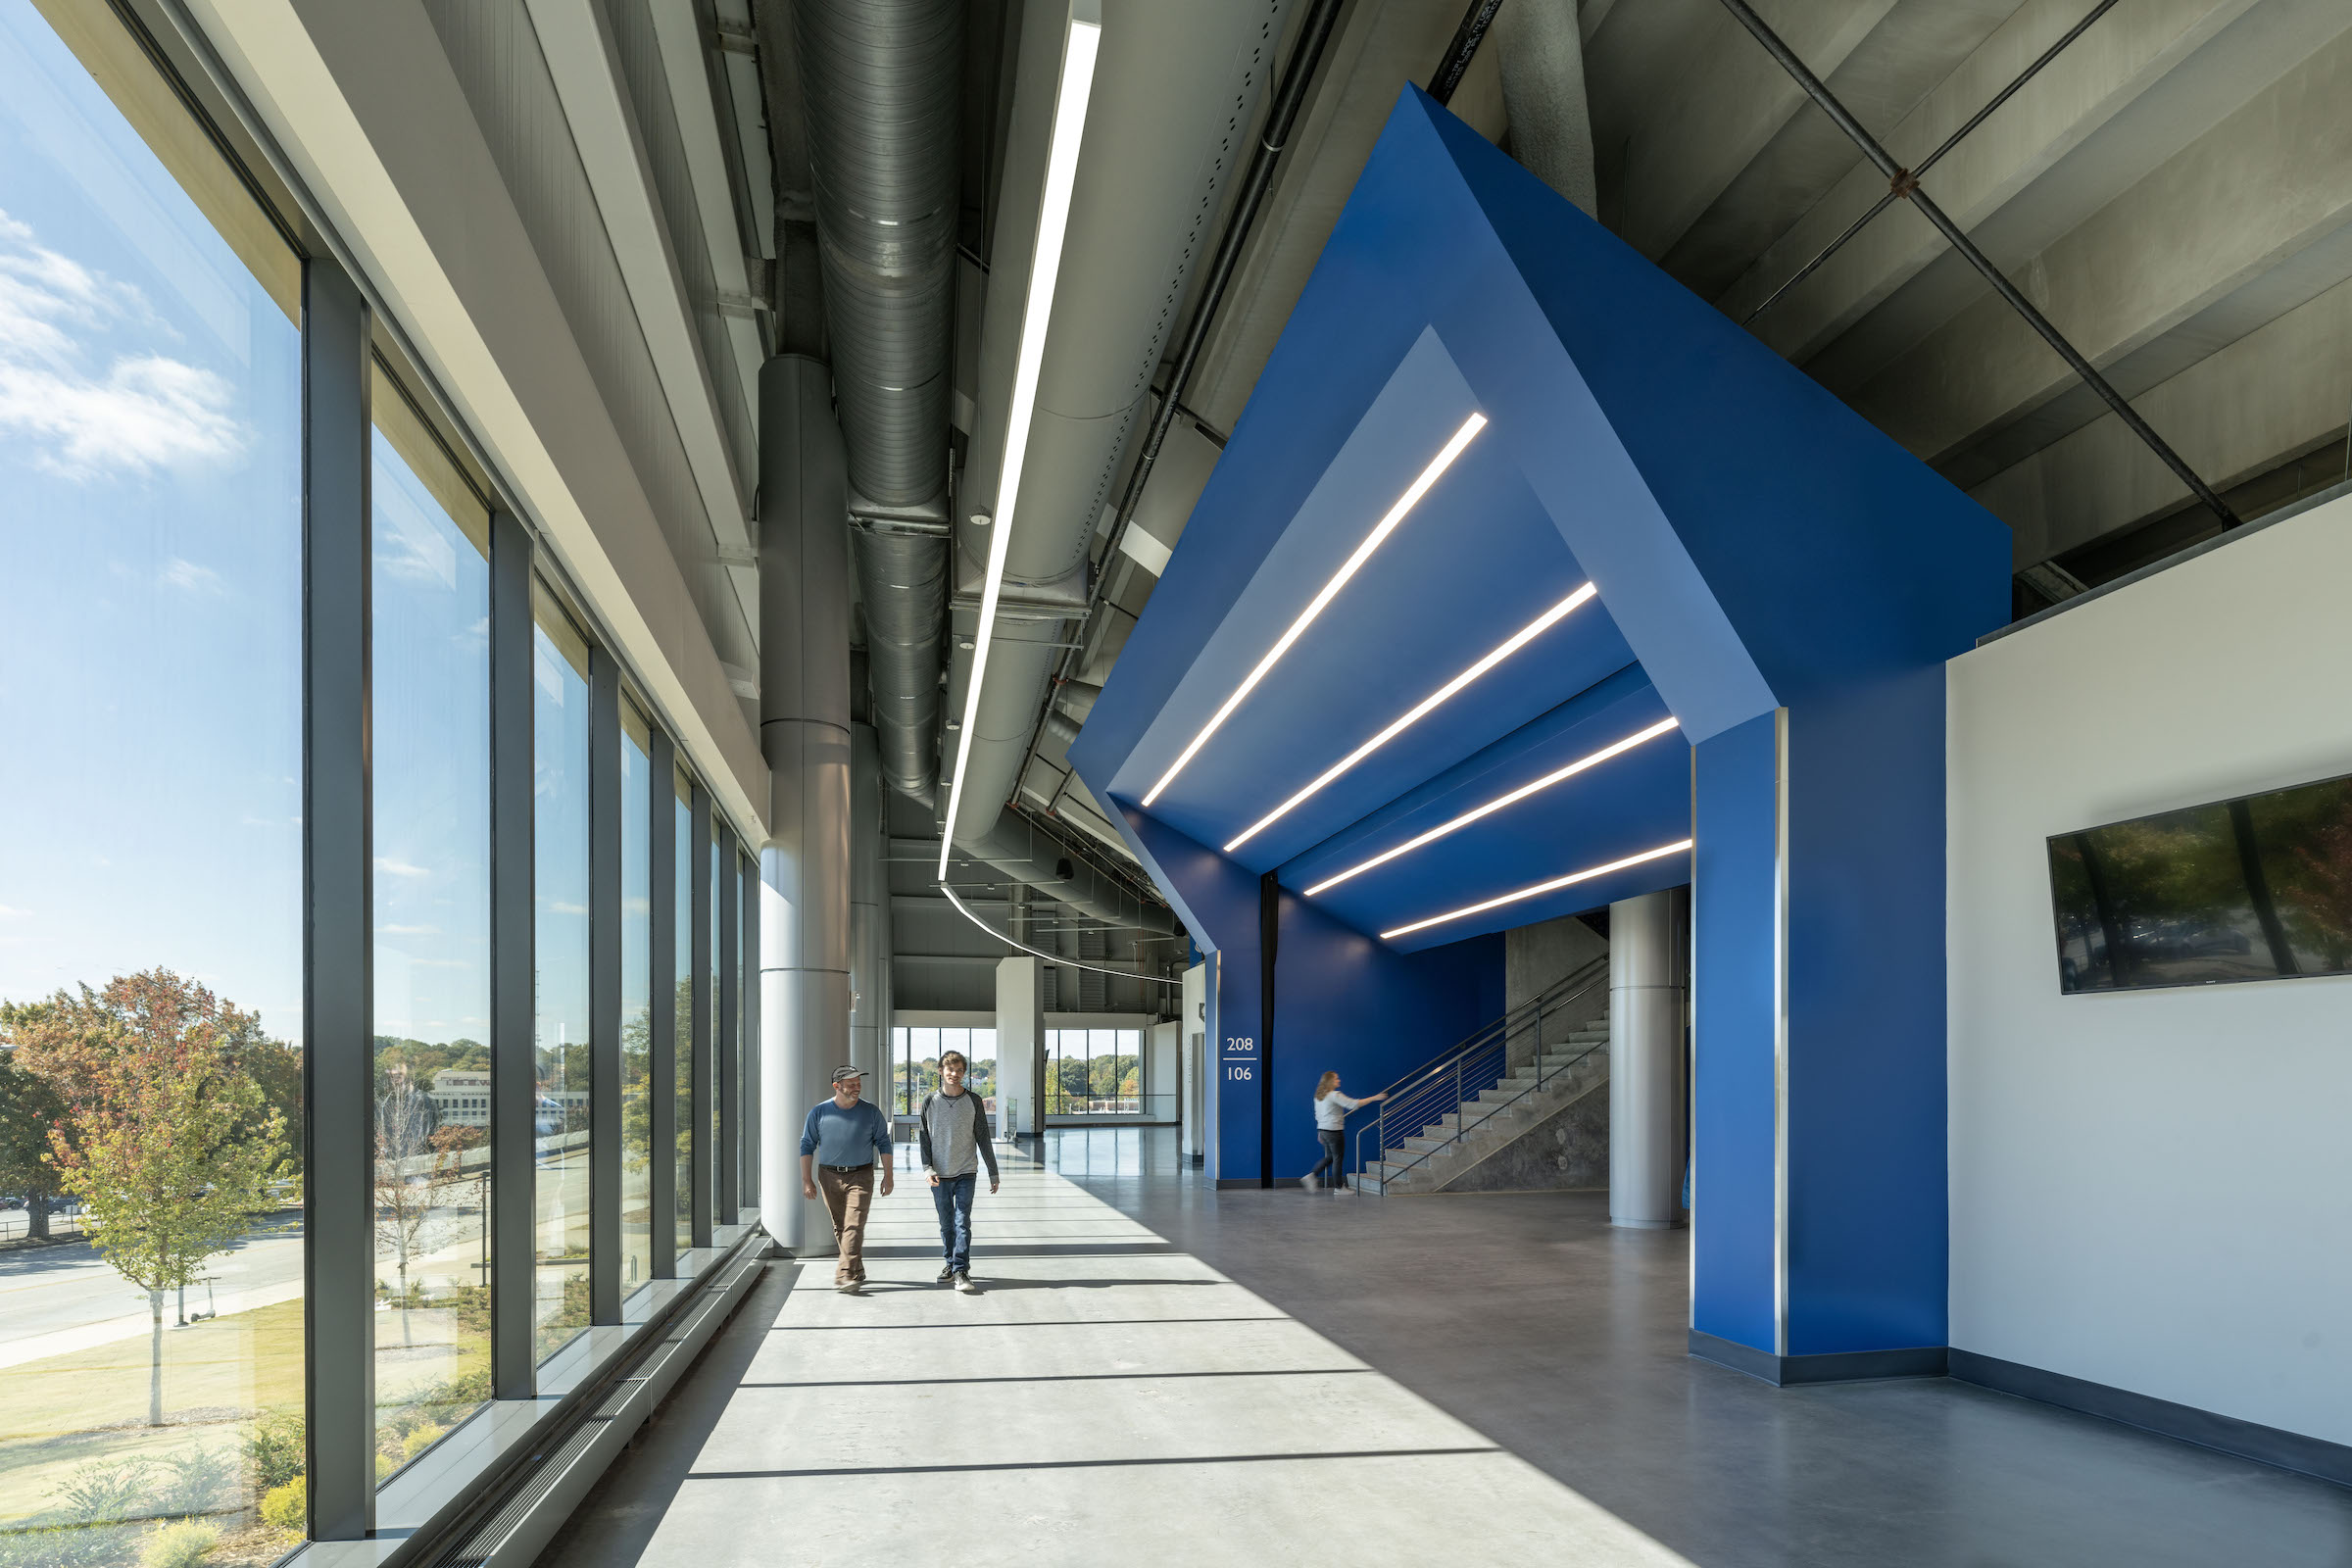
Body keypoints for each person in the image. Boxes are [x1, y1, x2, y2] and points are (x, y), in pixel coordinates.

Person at [799, 1065, 893, 1293]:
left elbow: (884, 1143)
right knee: (841, 1226)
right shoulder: (819, 1113)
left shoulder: (871, 1112)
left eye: (858, 1083)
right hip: (828, 1175)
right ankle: (856, 1269)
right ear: (837, 1086)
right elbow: (807, 1145)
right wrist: (806, 1180)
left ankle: (844, 1274)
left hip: (861, 1174)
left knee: (854, 1224)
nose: (857, 1087)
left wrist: (888, 1176)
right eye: (851, 1084)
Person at [918, 1048, 1001, 1293]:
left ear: (964, 1073)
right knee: (946, 1224)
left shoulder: (973, 1100)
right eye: (950, 1069)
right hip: (939, 1174)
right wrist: (927, 1168)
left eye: (959, 1070)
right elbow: (923, 1138)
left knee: (962, 1221)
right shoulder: (929, 1102)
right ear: (941, 1071)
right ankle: (950, 1263)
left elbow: (983, 1137)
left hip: (966, 1171)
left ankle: (961, 1270)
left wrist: (993, 1172)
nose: (954, 1073)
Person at [1302, 1070, 1385, 1194]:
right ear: (1330, 1081)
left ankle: (1312, 1175)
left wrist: (1320, 1131)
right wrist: (1374, 1098)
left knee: (1331, 1157)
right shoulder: (1334, 1095)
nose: (1339, 1080)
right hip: (1334, 1131)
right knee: (1337, 1159)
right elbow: (1354, 1104)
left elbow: (1318, 1115)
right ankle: (1339, 1188)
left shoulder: (1318, 1096)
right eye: (1336, 1079)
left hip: (1323, 1130)